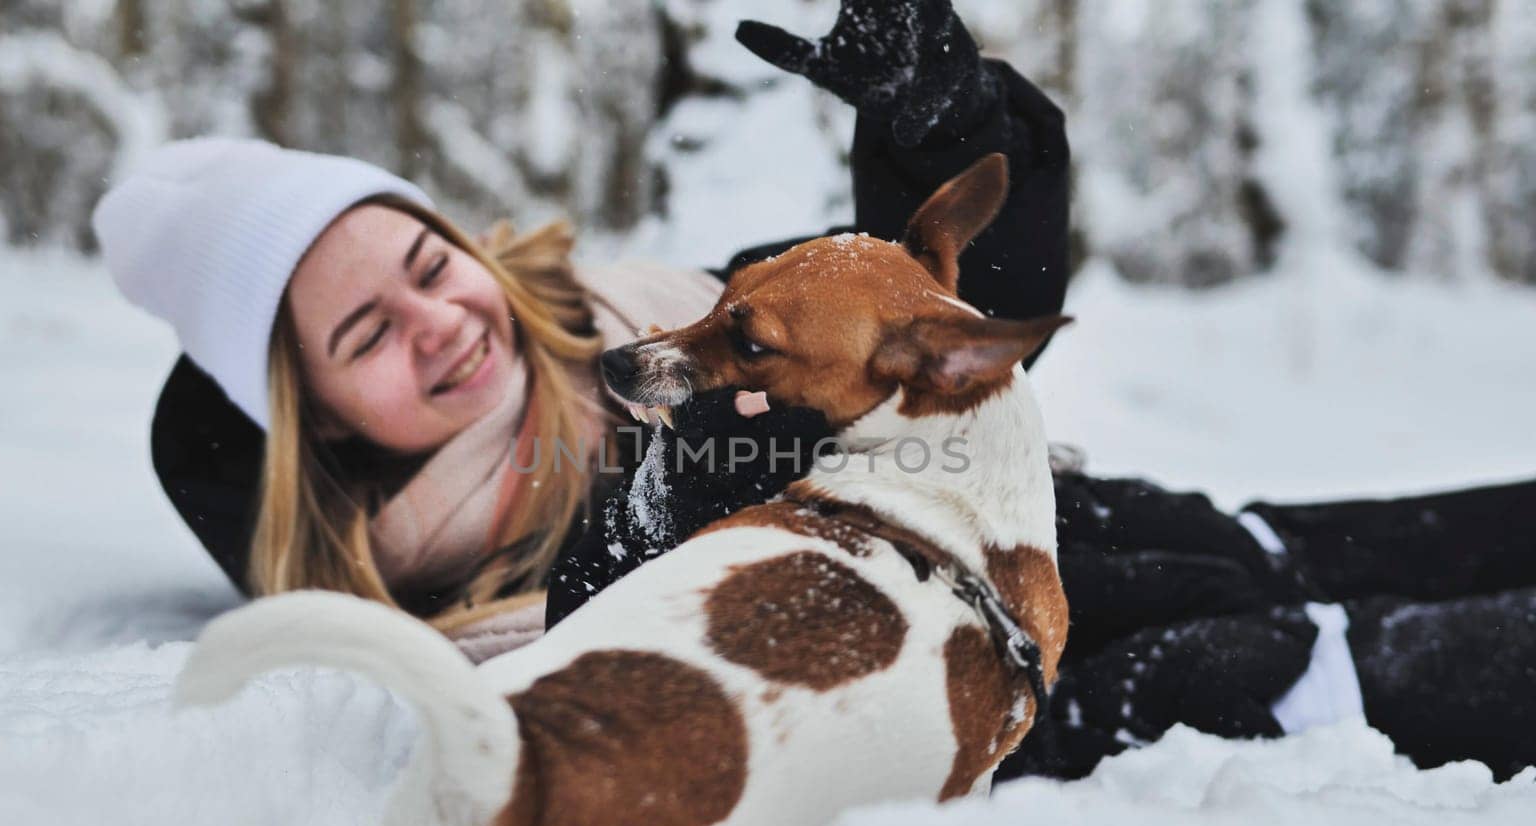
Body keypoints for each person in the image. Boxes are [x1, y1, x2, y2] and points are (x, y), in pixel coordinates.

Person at [96, 0, 1535, 782]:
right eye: (364, 334)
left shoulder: (663, 316)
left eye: (428, 258)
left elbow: (920, 329)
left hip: (1173, 535)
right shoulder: (437, 601)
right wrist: (665, 493)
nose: (441, 319)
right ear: (320, 422)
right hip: (1144, 685)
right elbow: (609, 697)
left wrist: (941, 151)